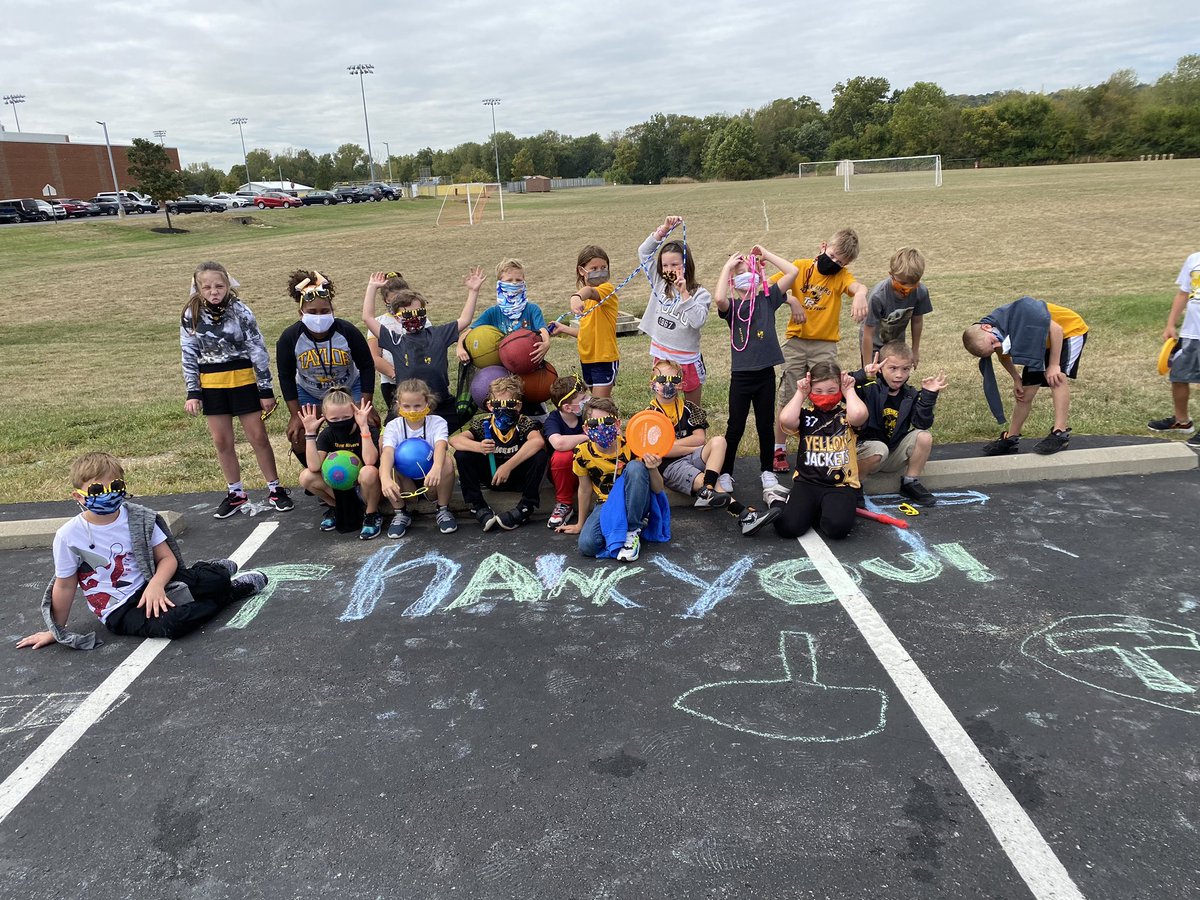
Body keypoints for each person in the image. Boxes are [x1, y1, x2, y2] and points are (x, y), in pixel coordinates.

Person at [16, 452, 267, 649]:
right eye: (97, 490)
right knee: (174, 624)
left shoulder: (138, 518)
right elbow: (65, 585)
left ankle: (215, 572)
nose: (107, 495)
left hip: (151, 584)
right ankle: (229, 594)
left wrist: (155, 585)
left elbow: (166, 558)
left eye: (115, 486)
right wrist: (56, 630)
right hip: (120, 610)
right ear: (79, 496)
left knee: (212, 580)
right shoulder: (69, 535)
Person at [180, 261, 292, 519]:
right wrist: (193, 392)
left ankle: (275, 488)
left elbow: (257, 348)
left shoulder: (240, 310)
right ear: (198, 288)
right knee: (222, 441)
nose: (214, 291)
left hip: (243, 381)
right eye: (207, 287)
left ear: (228, 285)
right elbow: (188, 352)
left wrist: (265, 389)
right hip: (212, 385)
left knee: (258, 437)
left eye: (219, 286)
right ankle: (235, 492)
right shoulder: (190, 314)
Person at [770, 229, 869, 474]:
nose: (834, 264)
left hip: (825, 345)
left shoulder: (841, 276)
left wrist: (861, 294)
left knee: (828, 395)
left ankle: (825, 441)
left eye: (841, 262)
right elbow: (770, 287)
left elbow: (857, 286)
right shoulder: (800, 266)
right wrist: (791, 300)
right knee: (789, 394)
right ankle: (779, 447)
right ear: (823, 246)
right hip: (796, 341)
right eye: (832, 256)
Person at [647, 359, 779, 536]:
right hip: (670, 466)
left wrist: (672, 445)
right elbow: (662, 451)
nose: (668, 384)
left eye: (674, 380)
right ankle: (744, 515)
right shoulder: (649, 416)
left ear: (681, 385)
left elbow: (700, 438)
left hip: (692, 456)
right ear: (652, 384)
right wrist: (688, 448)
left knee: (719, 441)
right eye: (662, 380)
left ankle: (707, 490)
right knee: (709, 482)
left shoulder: (689, 408)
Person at [714, 246, 802, 495]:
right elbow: (719, 299)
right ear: (733, 281)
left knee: (765, 424)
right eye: (740, 273)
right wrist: (727, 267)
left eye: (749, 270)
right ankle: (726, 472)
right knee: (735, 426)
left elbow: (792, 272)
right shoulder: (732, 307)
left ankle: (767, 472)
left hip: (765, 375)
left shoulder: (768, 299)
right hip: (741, 377)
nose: (746, 275)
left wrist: (766, 254)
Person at [963, 296, 1088, 455]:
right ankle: (1011, 438)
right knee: (1024, 393)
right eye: (993, 348)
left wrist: (1054, 365)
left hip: (1068, 332)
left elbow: (1056, 330)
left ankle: (1060, 433)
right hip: (1040, 343)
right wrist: (1016, 379)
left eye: (993, 343)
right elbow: (1003, 356)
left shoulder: (1024, 312)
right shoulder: (996, 333)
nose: (997, 345)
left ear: (987, 327)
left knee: (1057, 378)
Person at [278, 270, 376, 463]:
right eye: (312, 312)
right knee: (298, 433)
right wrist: (295, 415)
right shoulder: (290, 337)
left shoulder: (347, 331)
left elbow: (366, 366)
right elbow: (286, 376)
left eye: (324, 311)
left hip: (348, 388)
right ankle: (314, 473)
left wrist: (366, 405)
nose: (319, 316)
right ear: (301, 312)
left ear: (332, 311)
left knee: (369, 422)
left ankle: (363, 468)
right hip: (310, 391)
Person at [363, 269, 479, 432]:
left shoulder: (438, 335)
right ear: (397, 317)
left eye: (419, 312)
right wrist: (372, 287)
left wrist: (473, 291)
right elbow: (367, 318)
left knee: (462, 416)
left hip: (440, 403)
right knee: (386, 437)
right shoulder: (395, 340)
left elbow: (465, 319)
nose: (414, 317)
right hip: (408, 406)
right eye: (407, 314)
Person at [557, 398, 669, 561]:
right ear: (586, 428)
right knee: (587, 545)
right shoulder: (581, 453)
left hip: (633, 500)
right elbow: (585, 489)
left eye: (607, 422)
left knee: (635, 467)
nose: (601, 428)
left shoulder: (632, 446)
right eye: (594, 424)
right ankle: (622, 530)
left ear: (617, 424)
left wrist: (652, 468)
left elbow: (658, 489)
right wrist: (580, 524)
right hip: (606, 503)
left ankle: (631, 530)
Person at [769, 363, 868, 540]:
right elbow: (785, 419)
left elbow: (860, 414)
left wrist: (849, 391)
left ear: (839, 389)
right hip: (807, 482)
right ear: (811, 390)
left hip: (840, 485)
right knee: (788, 528)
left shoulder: (846, 415)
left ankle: (821, 510)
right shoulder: (806, 415)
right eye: (818, 391)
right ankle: (777, 500)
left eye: (831, 390)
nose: (825, 396)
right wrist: (801, 393)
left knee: (837, 529)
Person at [852, 341, 947, 506]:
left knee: (924, 436)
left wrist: (928, 397)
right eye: (893, 368)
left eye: (905, 369)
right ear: (880, 367)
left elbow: (922, 424)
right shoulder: (867, 387)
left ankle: (910, 482)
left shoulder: (910, 394)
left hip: (891, 454)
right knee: (879, 448)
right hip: (865, 453)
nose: (899, 375)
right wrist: (862, 375)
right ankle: (854, 484)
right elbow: (839, 387)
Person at [450, 374, 548, 531]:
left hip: (516, 476)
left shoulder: (523, 422)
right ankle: (477, 505)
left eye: (509, 404)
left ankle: (526, 506)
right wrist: (479, 447)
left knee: (540, 456)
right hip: (491, 476)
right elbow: (455, 440)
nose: (503, 409)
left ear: (518, 406)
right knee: (462, 454)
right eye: (497, 404)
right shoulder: (484, 423)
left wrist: (508, 466)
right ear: (490, 406)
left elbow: (537, 441)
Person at [637, 215, 712, 405]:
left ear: (686, 264)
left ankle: (693, 425)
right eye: (665, 265)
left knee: (693, 408)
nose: (669, 269)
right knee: (665, 404)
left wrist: (684, 293)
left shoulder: (700, 294)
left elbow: (698, 321)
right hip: (662, 356)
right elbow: (644, 253)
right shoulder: (659, 282)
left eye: (675, 264)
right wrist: (663, 230)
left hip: (687, 360)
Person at [297, 390, 383, 539]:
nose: (341, 422)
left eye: (346, 417)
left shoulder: (369, 430)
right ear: (325, 417)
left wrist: (364, 427)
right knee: (306, 476)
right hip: (340, 488)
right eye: (334, 419)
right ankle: (336, 507)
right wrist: (310, 433)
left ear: (354, 412)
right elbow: (314, 467)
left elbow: (370, 461)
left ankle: (371, 513)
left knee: (368, 471)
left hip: (367, 489)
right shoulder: (327, 434)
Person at [380, 378, 457, 538]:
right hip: (406, 483)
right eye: (406, 406)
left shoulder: (437, 422)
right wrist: (385, 478)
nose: (412, 411)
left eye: (417, 406)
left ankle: (442, 509)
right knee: (387, 466)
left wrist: (436, 468)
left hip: (432, 480)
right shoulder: (393, 426)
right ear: (398, 404)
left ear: (427, 403)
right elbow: (387, 452)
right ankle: (400, 512)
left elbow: (441, 446)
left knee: (447, 462)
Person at [548, 246, 621, 398]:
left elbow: (590, 291)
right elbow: (587, 332)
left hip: (604, 359)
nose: (600, 271)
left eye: (603, 267)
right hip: (587, 359)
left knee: (600, 403)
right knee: (598, 403)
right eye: (594, 268)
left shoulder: (606, 289)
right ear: (582, 271)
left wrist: (576, 297)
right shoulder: (585, 301)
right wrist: (563, 328)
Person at [1147, 251, 1200, 448]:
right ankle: (1182, 421)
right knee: (1178, 376)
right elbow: (1183, 294)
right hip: (1191, 333)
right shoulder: (1194, 259)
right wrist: (1170, 324)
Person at [456, 258, 551, 366]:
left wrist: (546, 343)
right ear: (500, 283)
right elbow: (469, 332)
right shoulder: (492, 312)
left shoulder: (533, 309)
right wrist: (459, 346)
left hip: (526, 362)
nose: (514, 283)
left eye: (518, 280)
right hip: (500, 365)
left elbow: (542, 329)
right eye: (509, 280)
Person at [860, 247, 933, 370]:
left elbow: (917, 321)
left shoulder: (921, 291)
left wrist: (915, 350)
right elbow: (868, 333)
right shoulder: (878, 296)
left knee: (897, 375)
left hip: (896, 344)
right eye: (903, 283)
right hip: (873, 344)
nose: (907, 288)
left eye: (913, 283)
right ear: (891, 275)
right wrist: (867, 368)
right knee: (874, 378)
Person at [542, 374, 591, 529]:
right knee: (562, 456)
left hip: (591, 469)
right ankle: (564, 503)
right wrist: (588, 437)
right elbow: (559, 443)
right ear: (568, 407)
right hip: (566, 474)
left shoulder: (589, 414)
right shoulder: (553, 420)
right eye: (583, 399)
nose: (588, 400)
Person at [362, 270, 410, 415]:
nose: (398, 304)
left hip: (419, 379)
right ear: (385, 301)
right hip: (391, 383)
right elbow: (375, 356)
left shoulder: (419, 319)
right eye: (393, 300)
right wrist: (396, 375)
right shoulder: (379, 322)